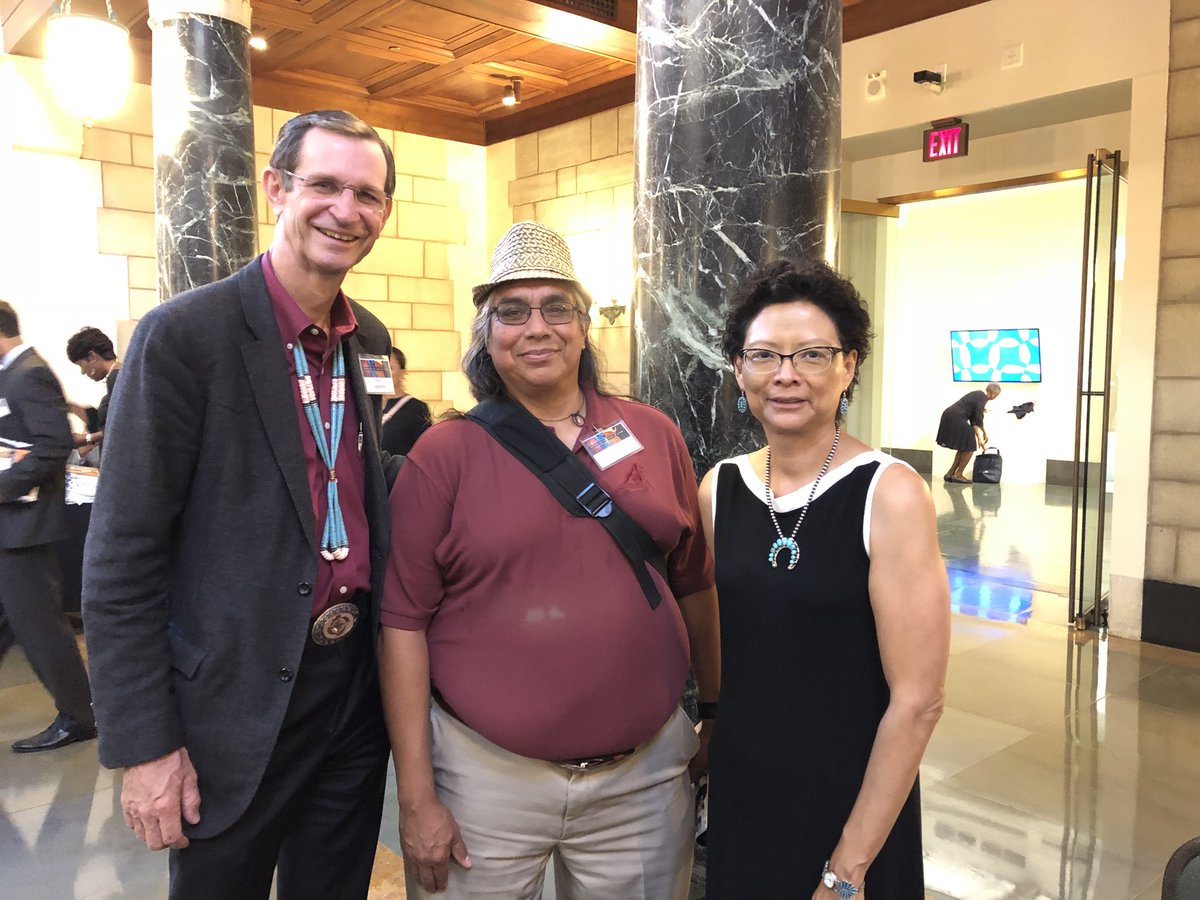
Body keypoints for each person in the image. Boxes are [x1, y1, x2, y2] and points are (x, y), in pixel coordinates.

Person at [82, 110, 403, 899]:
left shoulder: (369, 341)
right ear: (275, 188)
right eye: (324, 185)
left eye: (367, 194)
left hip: (352, 689)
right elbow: (123, 558)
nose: (345, 209)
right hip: (235, 697)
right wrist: (146, 747)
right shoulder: (185, 338)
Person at [379, 221, 720, 900]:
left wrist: (718, 706)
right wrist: (417, 798)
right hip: (486, 782)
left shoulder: (651, 433)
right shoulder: (444, 455)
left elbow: (694, 582)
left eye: (556, 306)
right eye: (512, 310)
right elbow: (402, 624)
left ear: (584, 324)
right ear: (487, 331)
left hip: (642, 781)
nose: (537, 326)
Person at [699, 259, 949, 899]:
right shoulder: (721, 487)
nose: (785, 375)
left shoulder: (888, 493)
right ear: (738, 370)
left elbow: (918, 700)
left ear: (849, 366)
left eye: (812, 354)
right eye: (764, 356)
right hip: (744, 787)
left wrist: (848, 867)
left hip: (851, 794)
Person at [0, 301, 97, 753]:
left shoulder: (27, 373)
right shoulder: (15, 373)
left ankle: (81, 714)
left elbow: (51, 446)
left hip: (26, 527)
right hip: (13, 526)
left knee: (40, 627)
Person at [65, 325, 121, 455]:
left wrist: (87, 438)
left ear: (91, 357)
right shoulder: (121, 377)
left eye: (81, 365)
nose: (83, 372)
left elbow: (122, 428)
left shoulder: (117, 380)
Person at [936, 383, 1000, 483]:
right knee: (970, 447)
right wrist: (981, 434)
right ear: (994, 393)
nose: (996, 397)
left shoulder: (978, 396)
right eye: (997, 395)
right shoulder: (981, 396)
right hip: (956, 417)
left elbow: (974, 421)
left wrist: (982, 435)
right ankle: (958, 474)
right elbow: (978, 417)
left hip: (951, 416)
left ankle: (950, 474)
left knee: (964, 447)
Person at [380, 346, 431, 455]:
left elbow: (425, 449)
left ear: (402, 373)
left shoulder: (416, 408)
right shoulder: (367, 405)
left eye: (390, 368)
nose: (385, 373)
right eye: (381, 368)